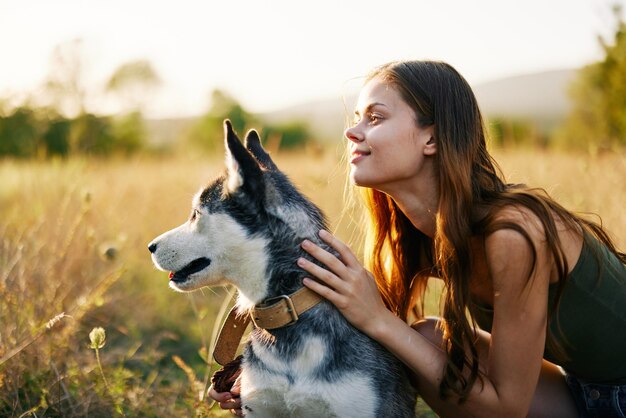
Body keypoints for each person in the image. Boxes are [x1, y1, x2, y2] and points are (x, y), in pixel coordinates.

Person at [209, 60, 626, 417]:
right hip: (580, 391)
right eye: (355, 118)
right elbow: (365, 337)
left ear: (432, 137)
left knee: (409, 337)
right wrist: (258, 375)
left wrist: (380, 320)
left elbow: (506, 409)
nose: (352, 133)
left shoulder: (514, 231)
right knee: (424, 339)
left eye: (374, 117)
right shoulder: (418, 232)